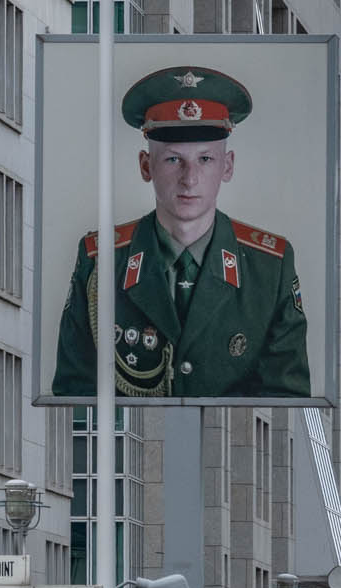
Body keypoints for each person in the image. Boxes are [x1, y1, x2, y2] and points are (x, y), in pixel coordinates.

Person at [51, 65, 309, 399]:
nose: (189, 179)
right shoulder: (100, 261)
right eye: (173, 160)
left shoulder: (269, 268)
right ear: (146, 166)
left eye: (205, 159)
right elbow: (73, 394)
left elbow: (287, 400)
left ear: (227, 166)